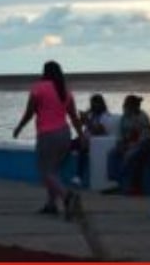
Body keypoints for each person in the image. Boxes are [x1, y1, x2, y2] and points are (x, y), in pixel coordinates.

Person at [13, 61, 83, 219]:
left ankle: (67, 197)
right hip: (65, 134)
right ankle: (51, 205)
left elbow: (29, 112)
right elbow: (73, 116)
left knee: (45, 171)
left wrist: (19, 127)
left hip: (48, 135)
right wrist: (82, 135)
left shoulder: (39, 88)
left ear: (44, 72)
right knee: (53, 171)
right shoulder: (65, 90)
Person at [105, 94, 150, 195]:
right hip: (129, 143)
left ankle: (124, 184)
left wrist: (132, 146)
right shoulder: (124, 118)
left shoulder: (142, 117)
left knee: (129, 156)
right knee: (112, 154)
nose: (124, 108)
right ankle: (115, 180)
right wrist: (122, 144)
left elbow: (145, 137)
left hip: (143, 144)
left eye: (126, 106)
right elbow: (123, 135)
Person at [70, 94, 113, 186]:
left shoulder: (105, 116)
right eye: (92, 104)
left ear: (101, 104)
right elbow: (79, 126)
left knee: (83, 149)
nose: (93, 106)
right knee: (66, 145)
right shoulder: (90, 114)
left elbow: (99, 131)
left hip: (97, 142)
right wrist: (80, 120)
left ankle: (79, 176)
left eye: (95, 104)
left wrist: (87, 121)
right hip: (85, 139)